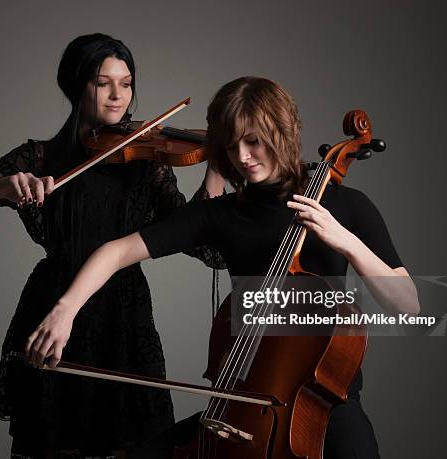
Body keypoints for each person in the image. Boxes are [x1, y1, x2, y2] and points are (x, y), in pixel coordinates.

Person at [26, 76, 420, 458]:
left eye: (253, 142)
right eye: (232, 147)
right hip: (243, 401)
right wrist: (65, 311)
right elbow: (115, 252)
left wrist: (344, 240)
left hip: (327, 402)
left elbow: (408, 306)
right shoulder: (221, 215)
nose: (243, 158)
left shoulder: (347, 206)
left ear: (282, 131)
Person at [0, 33, 224, 458]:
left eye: (126, 83)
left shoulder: (146, 162)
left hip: (124, 314)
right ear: (76, 85)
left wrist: (216, 165)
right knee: (51, 442)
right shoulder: (40, 157)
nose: (118, 95)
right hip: (53, 304)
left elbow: (198, 237)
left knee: (136, 445)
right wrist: (2, 188)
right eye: (103, 82)